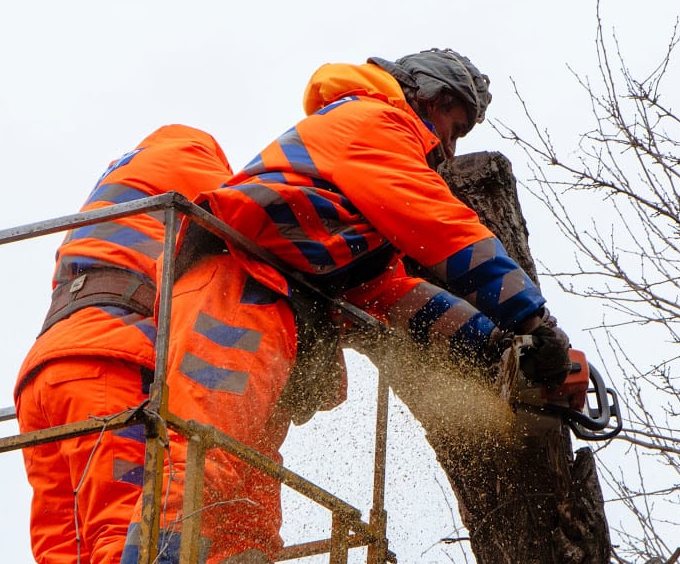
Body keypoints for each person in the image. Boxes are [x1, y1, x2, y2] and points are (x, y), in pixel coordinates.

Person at [119, 48, 571, 564]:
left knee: (242, 501)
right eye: (455, 127)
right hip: (238, 290)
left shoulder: (352, 207)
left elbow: (392, 294)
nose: (449, 149)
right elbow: (442, 226)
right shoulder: (373, 122)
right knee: (199, 462)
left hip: (273, 310)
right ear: (434, 96)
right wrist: (531, 317)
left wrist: (493, 347)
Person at [14, 124, 234, 564]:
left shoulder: (116, 187)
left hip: (45, 374)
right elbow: (251, 218)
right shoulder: (189, 156)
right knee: (124, 530)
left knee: (64, 548)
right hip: (109, 364)